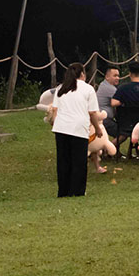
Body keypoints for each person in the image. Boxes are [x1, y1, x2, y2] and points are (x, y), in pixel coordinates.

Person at [49, 62, 103, 197]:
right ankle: (77, 191)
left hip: (61, 128)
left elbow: (55, 110)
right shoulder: (88, 89)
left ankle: (63, 191)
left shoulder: (61, 88)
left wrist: (55, 124)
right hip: (78, 128)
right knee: (78, 161)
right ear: (82, 74)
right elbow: (92, 113)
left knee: (63, 160)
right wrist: (97, 128)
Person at [95, 68, 119, 140]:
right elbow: (120, 101)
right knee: (121, 133)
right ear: (107, 77)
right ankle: (112, 146)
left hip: (102, 117)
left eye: (118, 76)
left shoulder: (103, 84)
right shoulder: (110, 88)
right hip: (104, 119)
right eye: (115, 76)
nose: (117, 78)